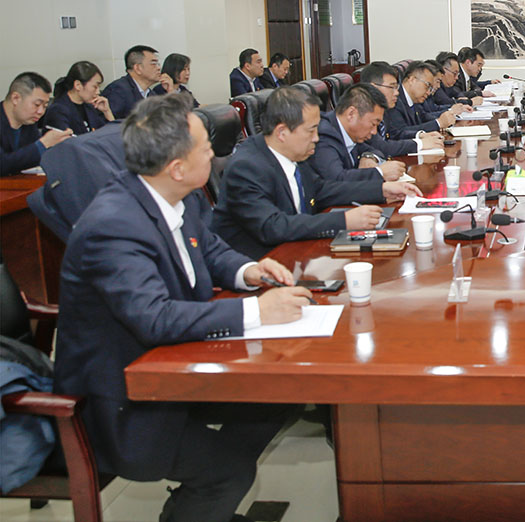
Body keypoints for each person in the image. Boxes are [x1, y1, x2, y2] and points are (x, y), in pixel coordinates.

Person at [53, 92, 313, 522]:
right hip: (123, 400)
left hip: (176, 367)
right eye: (207, 150)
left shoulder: (178, 194)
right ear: (176, 167)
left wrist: (248, 270)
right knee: (228, 473)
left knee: (277, 398)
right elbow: (154, 317)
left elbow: (209, 248)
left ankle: (201, 507)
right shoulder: (112, 225)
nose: (215, 155)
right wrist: (257, 312)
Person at [213, 87, 420, 259]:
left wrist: (381, 190)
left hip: (297, 253)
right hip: (261, 265)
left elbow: (320, 190)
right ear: (282, 132)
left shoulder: (294, 154)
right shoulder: (247, 167)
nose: (316, 138)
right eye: (310, 130)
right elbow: (272, 226)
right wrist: (344, 221)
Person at [307, 83, 409, 184]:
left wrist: (368, 157)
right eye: (373, 124)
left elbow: (373, 149)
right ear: (351, 114)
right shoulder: (324, 135)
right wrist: (380, 172)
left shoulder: (352, 133)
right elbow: (337, 179)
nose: (374, 132)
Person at [356, 62, 444, 157]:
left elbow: (395, 134)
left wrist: (420, 135)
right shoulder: (362, 113)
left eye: (396, 87)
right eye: (391, 87)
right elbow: (382, 147)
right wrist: (420, 144)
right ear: (374, 87)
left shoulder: (383, 109)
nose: (397, 93)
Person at [2, 72, 72, 175]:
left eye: (45, 106)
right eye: (37, 104)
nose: (41, 112)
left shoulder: (28, 122)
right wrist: (43, 144)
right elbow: (3, 164)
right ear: (15, 98)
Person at [386, 61, 459, 139]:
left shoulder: (415, 100)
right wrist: (438, 123)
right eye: (427, 86)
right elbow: (400, 132)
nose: (428, 92)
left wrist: (444, 120)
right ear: (412, 80)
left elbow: (424, 117)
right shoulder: (395, 99)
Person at [46, 61, 114, 134]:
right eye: (95, 87)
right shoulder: (58, 110)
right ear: (78, 85)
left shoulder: (89, 107)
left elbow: (110, 135)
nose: (98, 92)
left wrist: (107, 112)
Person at [102, 45, 163, 119]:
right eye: (153, 64)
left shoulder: (151, 94)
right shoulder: (118, 90)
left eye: (158, 64)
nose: (159, 68)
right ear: (138, 68)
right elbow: (110, 123)